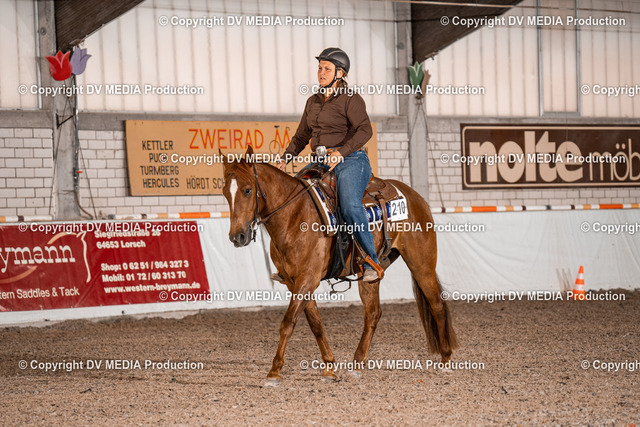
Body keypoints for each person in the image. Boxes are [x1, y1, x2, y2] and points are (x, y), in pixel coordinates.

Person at [276, 47, 382, 282]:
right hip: (320, 161)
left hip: (351, 160)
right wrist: (285, 158)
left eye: (326, 68)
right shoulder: (312, 101)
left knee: (350, 206)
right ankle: (291, 263)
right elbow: (301, 136)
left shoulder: (351, 99)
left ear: (340, 73)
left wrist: (341, 153)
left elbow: (365, 130)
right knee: (292, 199)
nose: (321, 72)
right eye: (319, 68)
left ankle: (370, 262)